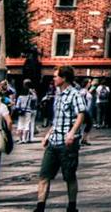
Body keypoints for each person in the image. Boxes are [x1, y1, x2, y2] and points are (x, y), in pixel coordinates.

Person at [35, 66, 89, 212]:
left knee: (69, 176)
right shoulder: (58, 94)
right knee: (44, 175)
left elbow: (81, 114)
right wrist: (48, 134)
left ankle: (72, 206)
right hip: (54, 140)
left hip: (67, 142)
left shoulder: (74, 94)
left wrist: (72, 133)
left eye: (55, 76)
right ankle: (40, 206)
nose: (53, 78)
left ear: (64, 78)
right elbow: (57, 119)